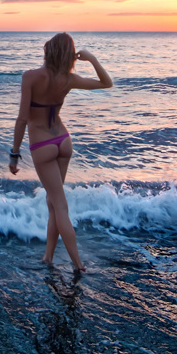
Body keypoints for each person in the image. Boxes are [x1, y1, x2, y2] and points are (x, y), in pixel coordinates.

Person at [8, 33, 113, 272]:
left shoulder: (30, 77)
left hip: (42, 145)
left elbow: (23, 119)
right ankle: (48, 257)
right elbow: (107, 83)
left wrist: (14, 155)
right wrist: (93, 60)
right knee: (53, 202)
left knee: (60, 204)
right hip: (63, 141)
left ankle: (78, 265)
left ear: (48, 51)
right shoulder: (69, 79)